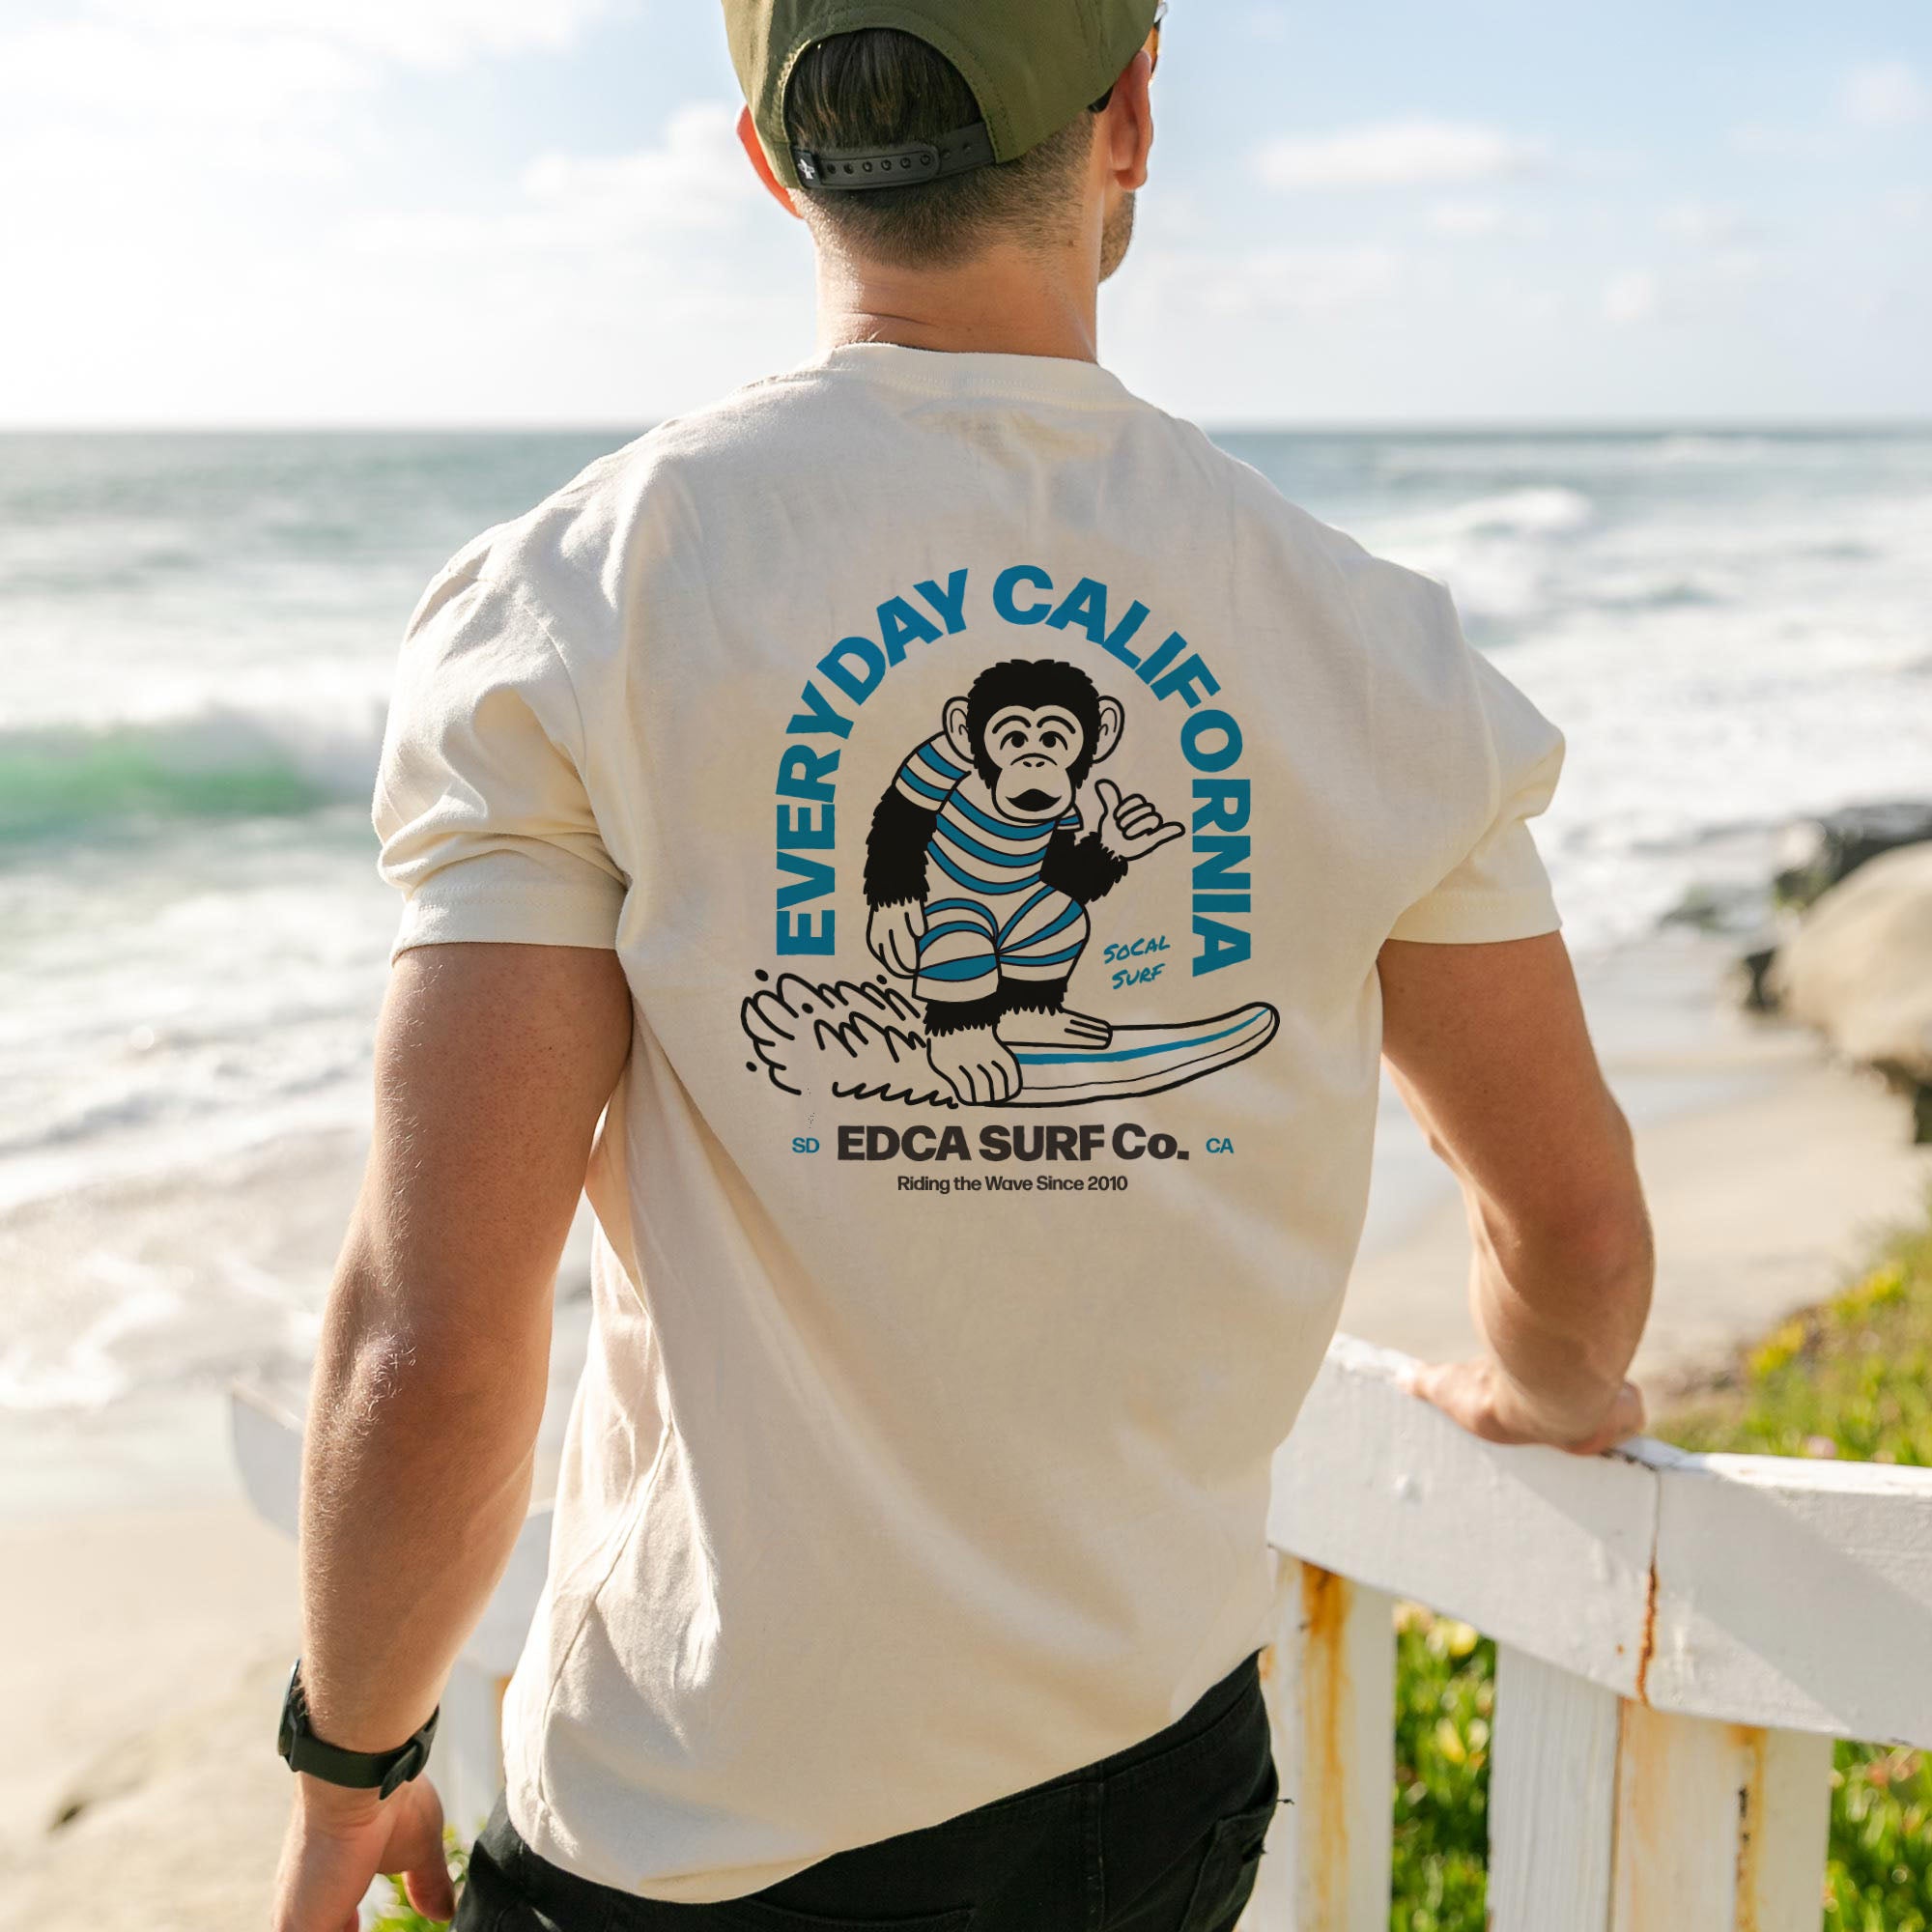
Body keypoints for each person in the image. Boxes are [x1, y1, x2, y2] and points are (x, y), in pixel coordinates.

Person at [269, 3, 1654, 1927]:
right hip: (1141, 1773)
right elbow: (1576, 1239)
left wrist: (352, 1760)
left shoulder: (577, 602)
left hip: (701, 1819)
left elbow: (434, 1344)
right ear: (1134, 115)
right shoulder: (1375, 650)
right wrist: (1543, 1395)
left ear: (768, 156)